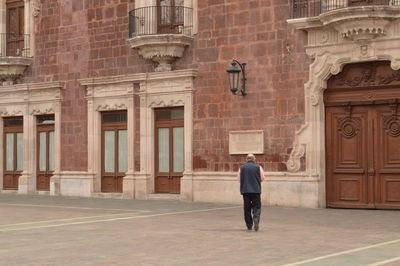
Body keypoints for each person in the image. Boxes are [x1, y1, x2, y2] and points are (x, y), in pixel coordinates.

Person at [237, 153, 265, 231]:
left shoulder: (242, 168)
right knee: (257, 206)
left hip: (245, 190)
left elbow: (239, 179)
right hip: (256, 190)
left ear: (247, 159)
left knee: (247, 208)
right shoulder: (258, 167)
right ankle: (256, 218)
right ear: (254, 159)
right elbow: (262, 178)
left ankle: (249, 225)